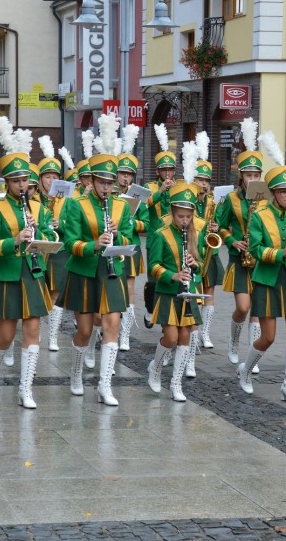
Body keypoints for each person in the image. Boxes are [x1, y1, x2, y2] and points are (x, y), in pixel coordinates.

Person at [57, 115, 132, 406]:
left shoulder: (122, 206)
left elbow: (129, 238)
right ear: (91, 181)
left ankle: (105, 385)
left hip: (112, 272)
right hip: (84, 271)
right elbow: (69, 242)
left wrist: (117, 239)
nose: (106, 188)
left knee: (111, 324)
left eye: (109, 183)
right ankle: (76, 374)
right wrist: (93, 244)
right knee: (86, 330)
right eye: (101, 182)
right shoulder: (77, 205)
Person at [0, 124, 53, 409]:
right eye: (15, 181)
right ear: (6, 183)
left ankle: (26, 389)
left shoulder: (40, 209)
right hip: (8, 275)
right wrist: (14, 241)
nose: (22, 185)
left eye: (25, 180)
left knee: (33, 332)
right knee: (6, 335)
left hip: (33, 273)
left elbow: (52, 237)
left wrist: (40, 235)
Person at [238, 133, 286, 404]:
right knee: (267, 337)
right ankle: (245, 370)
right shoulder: (260, 216)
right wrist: (282, 252)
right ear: (273, 193)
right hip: (267, 278)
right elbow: (256, 251)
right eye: (283, 192)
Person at [146, 175, 204, 402]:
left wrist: (194, 266)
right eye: (180, 216)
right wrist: (173, 275)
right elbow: (153, 266)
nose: (184, 221)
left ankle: (176, 383)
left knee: (185, 338)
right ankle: (156, 368)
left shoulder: (193, 236)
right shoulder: (161, 235)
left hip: (187, 294)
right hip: (168, 292)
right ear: (172, 213)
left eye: (188, 217)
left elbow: (198, 268)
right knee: (170, 337)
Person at [216, 118, 267, 368]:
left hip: (259, 261)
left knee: (257, 310)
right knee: (243, 308)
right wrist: (233, 241)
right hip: (239, 259)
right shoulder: (230, 200)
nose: (253, 178)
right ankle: (234, 341)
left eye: (257, 174)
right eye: (249, 174)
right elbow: (221, 227)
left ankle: (252, 356)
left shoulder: (265, 199)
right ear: (241, 176)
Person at [115, 126, 148, 352]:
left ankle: (125, 334)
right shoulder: (108, 192)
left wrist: (128, 223)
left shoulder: (139, 193)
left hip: (130, 245)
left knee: (129, 288)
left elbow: (146, 223)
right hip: (110, 244)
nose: (125, 177)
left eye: (129, 174)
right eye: (122, 173)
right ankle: (106, 327)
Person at [142, 124, 177, 330]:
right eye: (163, 170)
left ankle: (166, 314)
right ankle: (149, 308)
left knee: (169, 277)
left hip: (173, 238)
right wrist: (161, 191)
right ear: (157, 171)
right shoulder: (150, 186)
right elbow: (144, 204)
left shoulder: (178, 185)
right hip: (155, 239)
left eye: (170, 169)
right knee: (153, 278)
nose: (167, 173)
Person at [42, 145, 76, 352]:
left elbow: (72, 226)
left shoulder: (68, 201)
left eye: (55, 176)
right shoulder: (34, 198)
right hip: (37, 251)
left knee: (55, 293)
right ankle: (34, 331)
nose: (51, 181)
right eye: (47, 177)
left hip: (58, 252)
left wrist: (60, 225)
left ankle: (53, 335)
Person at [193, 131, 223, 352]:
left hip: (209, 251)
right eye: (200, 180)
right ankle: (193, 329)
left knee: (210, 291)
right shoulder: (187, 199)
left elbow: (219, 223)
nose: (203, 185)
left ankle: (205, 333)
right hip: (193, 250)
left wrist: (215, 228)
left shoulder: (213, 201)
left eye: (206, 181)